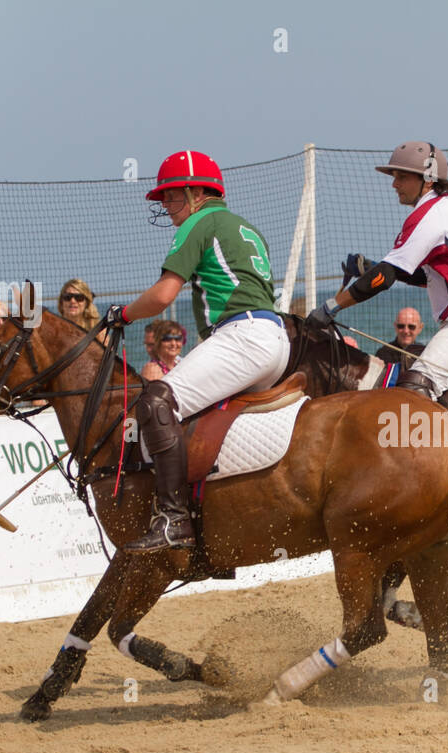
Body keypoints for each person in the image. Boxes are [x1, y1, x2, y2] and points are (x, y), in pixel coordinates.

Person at [103, 149, 289, 553]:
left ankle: (173, 519)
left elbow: (164, 294)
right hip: (275, 339)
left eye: (170, 196)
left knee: (155, 404)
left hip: (241, 338)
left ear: (194, 193)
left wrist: (124, 315)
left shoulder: (197, 223)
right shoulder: (246, 227)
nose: (166, 206)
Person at [305, 141, 448, 404]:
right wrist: (375, 267)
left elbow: (383, 278)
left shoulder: (429, 216)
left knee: (412, 394)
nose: (394, 184)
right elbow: (425, 277)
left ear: (428, 180)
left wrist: (331, 307)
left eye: (401, 176)